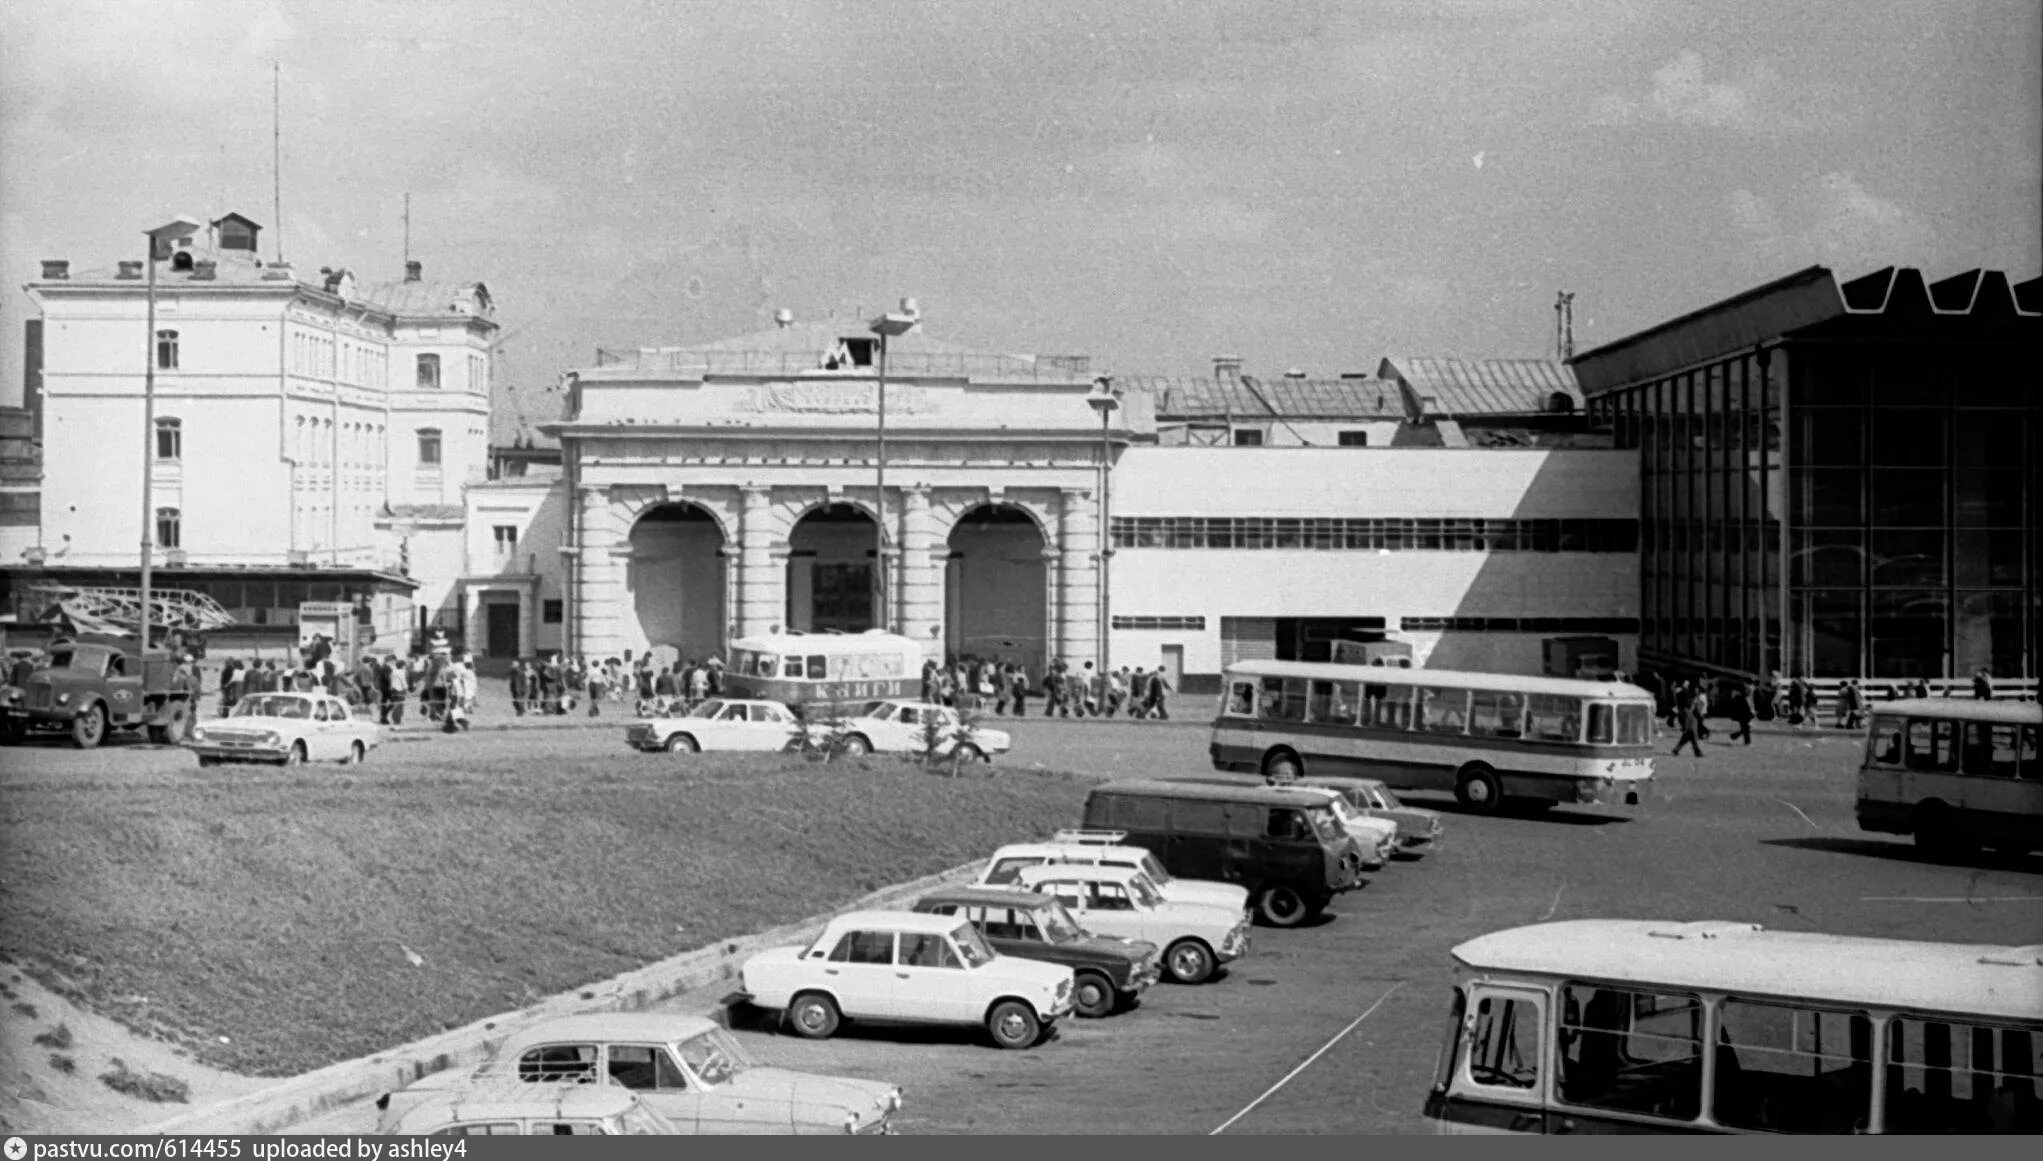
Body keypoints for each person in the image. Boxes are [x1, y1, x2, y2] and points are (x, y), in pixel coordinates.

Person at [384, 654, 409, 726]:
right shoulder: (401, 672)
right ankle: (398, 720)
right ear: (403, 666)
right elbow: (403, 682)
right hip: (400, 690)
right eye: (405, 665)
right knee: (400, 705)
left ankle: (395, 719)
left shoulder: (393, 672)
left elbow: (391, 681)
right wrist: (407, 689)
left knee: (395, 704)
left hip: (393, 690)